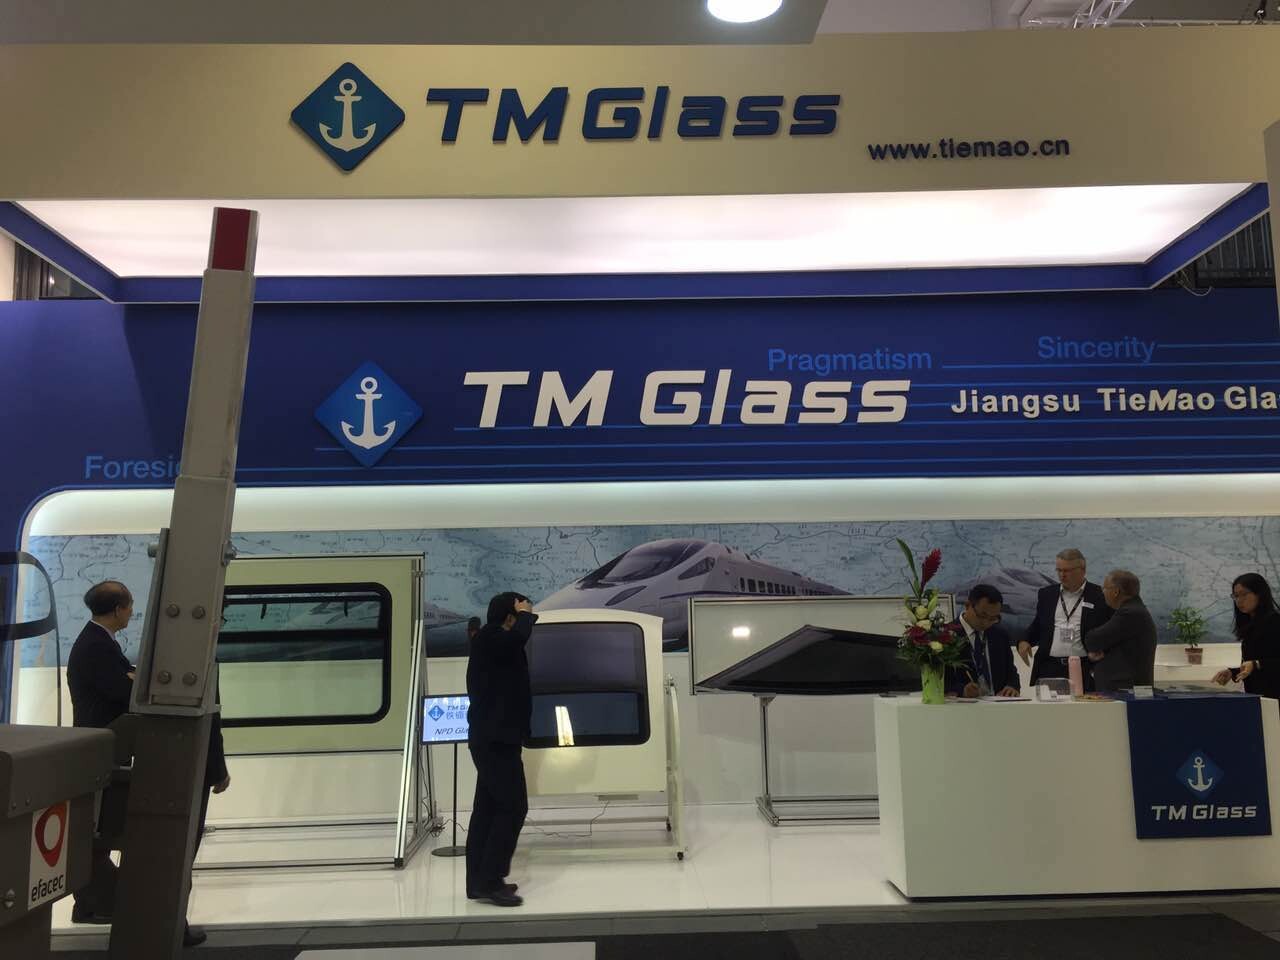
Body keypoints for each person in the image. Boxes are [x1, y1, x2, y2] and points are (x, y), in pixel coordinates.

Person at [66, 580, 229, 947]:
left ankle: (102, 904)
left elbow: (130, 683)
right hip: (107, 755)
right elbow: (129, 692)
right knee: (133, 843)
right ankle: (141, 916)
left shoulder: (97, 643)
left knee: (103, 840)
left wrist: (133, 678)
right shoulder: (96, 647)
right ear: (118, 609)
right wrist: (135, 681)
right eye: (129, 606)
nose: (132, 612)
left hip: (109, 755)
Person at [465, 592, 537, 907]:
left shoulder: (493, 642)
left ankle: (479, 882)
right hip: (494, 742)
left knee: (488, 810)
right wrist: (525, 615)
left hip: (496, 739)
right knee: (513, 807)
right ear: (510, 616)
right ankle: (491, 880)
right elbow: (516, 640)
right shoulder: (491, 638)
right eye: (519, 613)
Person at [1019, 548, 1114, 689]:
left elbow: (1111, 630)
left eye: (1067, 571)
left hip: (1085, 668)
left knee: (1084, 703)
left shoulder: (1099, 595)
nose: (1062, 575)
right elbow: (1038, 624)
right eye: (1059, 570)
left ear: (1083, 570)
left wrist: (1104, 653)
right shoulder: (1047, 594)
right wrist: (1024, 640)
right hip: (1049, 667)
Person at [1082, 570, 1157, 692]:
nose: (1102, 592)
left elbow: (1093, 640)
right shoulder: (1134, 610)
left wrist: (1098, 648)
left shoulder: (1129, 613)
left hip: (1125, 690)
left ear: (1116, 591)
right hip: (1125, 687)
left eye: (1105, 588)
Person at [1213, 573, 1280, 701]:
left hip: (1274, 697)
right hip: (1258, 696)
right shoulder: (1250, 625)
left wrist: (1256, 664)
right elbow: (1253, 663)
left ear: (1259, 594)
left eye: (1244, 594)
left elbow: (1266, 662)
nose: (1239, 600)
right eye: (1236, 596)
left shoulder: (1275, 622)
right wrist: (1232, 672)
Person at [947, 584, 1020, 698]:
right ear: (968, 606)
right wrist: (962, 691)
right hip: (963, 705)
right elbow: (937, 680)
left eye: (993, 618)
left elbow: (1011, 672)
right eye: (982, 616)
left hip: (997, 704)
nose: (986, 623)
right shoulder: (946, 635)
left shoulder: (1000, 635)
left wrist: (1012, 686)